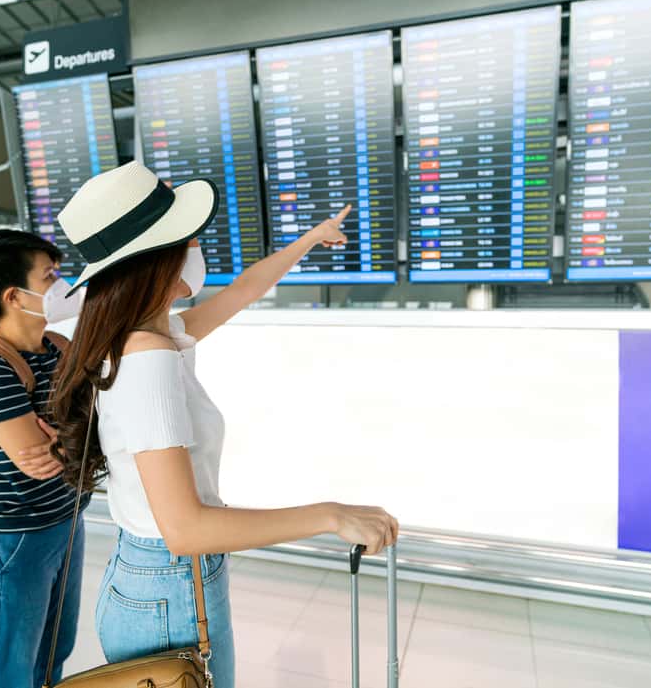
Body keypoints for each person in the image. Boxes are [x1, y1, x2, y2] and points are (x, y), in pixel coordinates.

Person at [49, 162, 399, 688]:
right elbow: (185, 529)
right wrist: (329, 515)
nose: (195, 248)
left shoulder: (142, 334)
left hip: (154, 581)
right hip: (170, 587)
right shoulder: (147, 358)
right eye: (185, 238)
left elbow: (242, 291)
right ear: (157, 258)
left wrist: (311, 237)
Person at [0, 229, 88, 688]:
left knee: (51, 657)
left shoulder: (60, 348)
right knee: (3, 671)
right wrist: (81, 437)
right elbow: (39, 461)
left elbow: (84, 440)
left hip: (66, 521)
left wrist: (74, 440)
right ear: (14, 296)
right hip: (11, 539)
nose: (63, 284)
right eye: (50, 276)